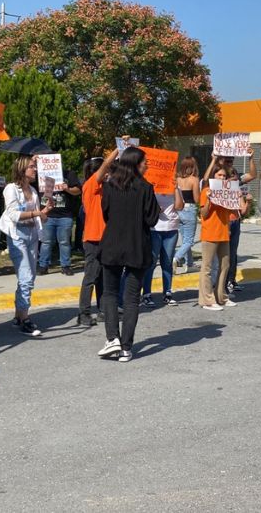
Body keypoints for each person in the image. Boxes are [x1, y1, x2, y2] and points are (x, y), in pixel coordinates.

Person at [97, 147, 160, 362]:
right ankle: (125, 347)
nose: (147, 165)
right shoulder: (145, 188)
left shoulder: (110, 186)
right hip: (137, 247)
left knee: (110, 294)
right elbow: (152, 220)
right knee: (132, 298)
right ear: (135, 163)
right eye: (145, 162)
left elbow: (105, 214)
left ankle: (112, 339)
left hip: (112, 245)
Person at [0, 155, 52, 336]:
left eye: (34, 166)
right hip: (18, 236)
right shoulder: (11, 189)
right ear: (22, 169)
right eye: (31, 166)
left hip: (32, 235)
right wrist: (38, 212)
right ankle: (25, 319)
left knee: (28, 278)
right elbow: (13, 214)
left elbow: (38, 215)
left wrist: (44, 212)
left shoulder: (34, 191)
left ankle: (17, 315)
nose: (34, 169)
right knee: (27, 277)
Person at [203, 151, 256, 293]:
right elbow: (205, 180)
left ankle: (228, 283)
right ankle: (213, 288)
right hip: (221, 224)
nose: (230, 162)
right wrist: (214, 160)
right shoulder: (216, 184)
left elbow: (252, 175)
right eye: (227, 160)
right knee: (215, 260)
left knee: (231, 255)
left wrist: (251, 158)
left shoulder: (236, 181)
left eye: (232, 160)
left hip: (235, 222)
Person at [77, 149, 118, 326]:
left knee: (102, 277)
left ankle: (103, 310)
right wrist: (118, 149)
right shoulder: (90, 184)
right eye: (105, 171)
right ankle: (83, 312)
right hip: (93, 238)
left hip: (105, 238)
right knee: (91, 277)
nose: (108, 173)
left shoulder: (103, 188)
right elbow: (106, 165)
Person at [198, 166, 242, 311]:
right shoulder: (206, 191)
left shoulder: (227, 192)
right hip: (210, 233)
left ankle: (221, 297)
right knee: (207, 267)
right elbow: (203, 214)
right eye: (219, 175)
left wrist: (238, 198)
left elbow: (235, 211)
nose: (222, 178)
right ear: (213, 176)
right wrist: (209, 199)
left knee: (225, 266)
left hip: (224, 232)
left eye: (224, 176)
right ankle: (207, 300)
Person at [142, 185, 183, 307]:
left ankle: (167, 292)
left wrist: (175, 188)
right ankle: (146, 294)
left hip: (171, 228)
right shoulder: (151, 187)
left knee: (167, 262)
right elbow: (145, 207)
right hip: (155, 228)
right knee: (151, 262)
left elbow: (179, 206)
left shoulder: (176, 187)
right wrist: (155, 209)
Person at [38, 166, 81, 276]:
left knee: (64, 242)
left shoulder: (69, 174)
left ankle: (65, 266)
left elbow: (78, 191)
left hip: (65, 216)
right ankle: (43, 266)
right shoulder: (41, 174)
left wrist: (67, 189)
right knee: (46, 242)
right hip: (48, 214)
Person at [173, 156, 201, 273]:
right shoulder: (194, 180)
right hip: (189, 209)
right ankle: (176, 258)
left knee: (185, 239)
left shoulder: (177, 179)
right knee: (189, 241)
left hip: (178, 210)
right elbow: (196, 198)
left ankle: (189, 264)